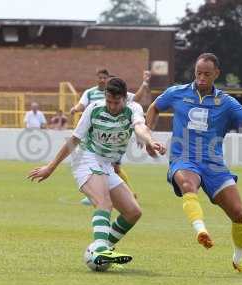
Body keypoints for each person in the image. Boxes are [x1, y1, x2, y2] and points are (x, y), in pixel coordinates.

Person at [146, 53, 242, 276]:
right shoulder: (178, 93)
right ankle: (200, 230)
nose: (201, 78)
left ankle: (239, 259)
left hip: (214, 165)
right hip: (184, 158)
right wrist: (148, 137)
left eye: (206, 74)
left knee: (240, 215)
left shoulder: (226, 102)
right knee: (187, 184)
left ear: (216, 74)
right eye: (198, 73)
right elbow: (154, 107)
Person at [28, 77, 166, 267]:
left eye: (116, 102)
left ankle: (101, 249)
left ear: (124, 99)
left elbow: (140, 128)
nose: (112, 106)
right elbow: (74, 140)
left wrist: (150, 141)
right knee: (103, 202)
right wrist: (50, 167)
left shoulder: (133, 109)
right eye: (109, 101)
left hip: (106, 164)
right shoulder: (94, 108)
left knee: (133, 212)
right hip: (85, 158)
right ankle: (100, 249)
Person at [71, 69, 152, 204]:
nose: (103, 80)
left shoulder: (120, 95)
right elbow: (81, 105)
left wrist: (144, 84)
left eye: (105, 78)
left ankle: (118, 193)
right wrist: (75, 109)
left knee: (114, 167)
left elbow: (136, 103)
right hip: (94, 135)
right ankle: (99, 192)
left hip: (113, 136)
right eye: (101, 78)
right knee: (108, 167)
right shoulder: (90, 94)